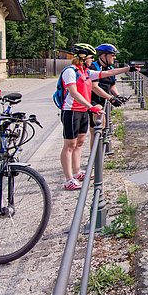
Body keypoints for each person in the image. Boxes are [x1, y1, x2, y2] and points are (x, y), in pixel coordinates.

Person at [59, 43, 139, 190]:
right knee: (69, 144)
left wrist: (128, 69)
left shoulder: (85, 71)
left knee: (80, 142)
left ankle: (77, 172)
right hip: (71, 111)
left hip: (83, 111)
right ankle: (68, 179)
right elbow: (74, 93)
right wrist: (91, 107)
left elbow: (106, 74)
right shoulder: (70, 71)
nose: (91, 60)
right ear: (82, 58)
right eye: (90, 58)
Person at [88, 43, 125, 151]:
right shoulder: (93, 67)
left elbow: (112, 85)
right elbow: (94, 87)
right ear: (103, 56)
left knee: (101, 129)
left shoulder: (110, 68)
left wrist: (117, 96)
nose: (114, 57)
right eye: (112, 55)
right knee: (96, 130)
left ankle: (98, 156)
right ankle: (95, 159)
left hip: (103, 100)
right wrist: (110, 98)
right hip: (93, 101)